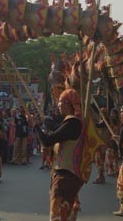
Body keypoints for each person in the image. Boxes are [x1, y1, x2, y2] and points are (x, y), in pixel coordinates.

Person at [32, 88, 84, 221]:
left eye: (60, 103)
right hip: (69, 175)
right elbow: (56, 131)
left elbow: (47, 140)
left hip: (66, 176)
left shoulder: (72, 123)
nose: (58, 106)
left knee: (58, 215)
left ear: (67, 104)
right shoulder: (73, 122)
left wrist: (35, 126)